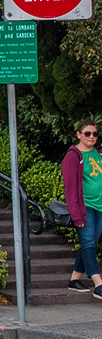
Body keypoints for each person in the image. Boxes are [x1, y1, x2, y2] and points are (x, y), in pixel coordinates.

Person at [62, 118, 102, 298]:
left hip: (100, 207)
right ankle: (99, 284)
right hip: (86, 208)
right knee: (88, 244)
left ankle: (74, 279)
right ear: (79, 135)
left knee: (90, 243)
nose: (91, 137)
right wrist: (76, 215)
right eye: (87, 133)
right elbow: (70, 189)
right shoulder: (74, 156)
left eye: (94, 133)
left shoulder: (99, 154)